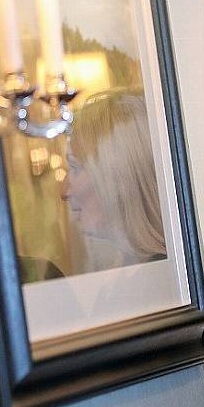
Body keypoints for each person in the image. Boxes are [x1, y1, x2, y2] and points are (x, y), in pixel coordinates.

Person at [61, 88, 167, 270]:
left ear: (119, 175)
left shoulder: (165, 282)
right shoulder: (127, 277)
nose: (65, 191)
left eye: (75, 168)